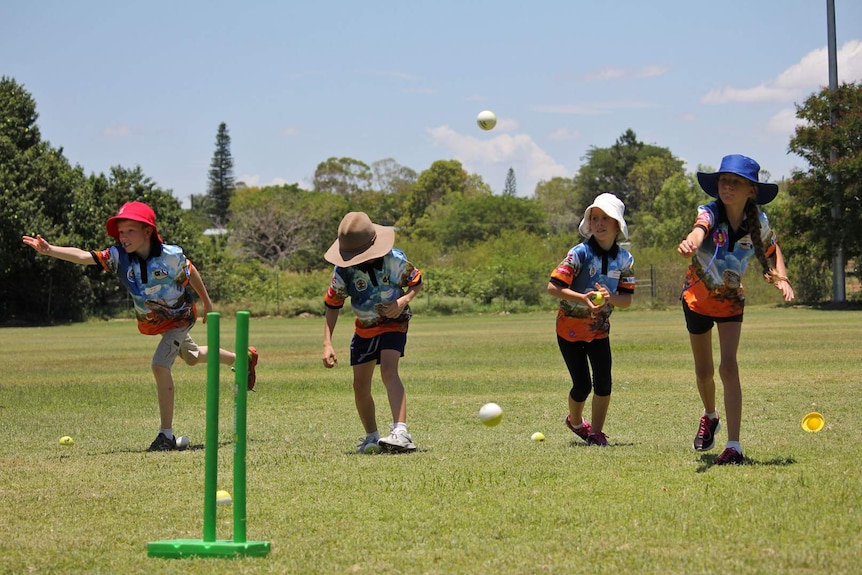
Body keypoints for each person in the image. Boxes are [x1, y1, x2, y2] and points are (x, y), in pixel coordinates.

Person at [22, 201, 258, 452]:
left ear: (148, 231)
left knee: (159, 365)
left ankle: (166, 435)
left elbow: (191, 271)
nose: (123, 237)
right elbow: (85, 256)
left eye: (130, 231)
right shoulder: (118, 257)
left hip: (179, 317)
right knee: (192, 357)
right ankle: (243, 358)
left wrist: (208, 303)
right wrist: (50, 250)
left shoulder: (170, 255)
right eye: (120, 232)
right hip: (159, 322)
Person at [678, 154, 794, 465]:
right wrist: (691, 241)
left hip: (730, 302)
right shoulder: (709, 211)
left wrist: (781, 278)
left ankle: (734, 446)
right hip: (697, 300)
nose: (727, 186)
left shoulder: (760, 222)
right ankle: (710, 415)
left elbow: (772, 249)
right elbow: (699, 230)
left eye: (736, 182)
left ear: (751, 191)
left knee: (728, 366)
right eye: (724, 180)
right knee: (704, 372)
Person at [322, 212, 423, 454]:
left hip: (394, 322)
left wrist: (403, 301)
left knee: (389, 370)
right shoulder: (343, 271)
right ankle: (371, 437)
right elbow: (332, 304)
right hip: (364, 328)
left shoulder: (395, 259)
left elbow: (417, 281)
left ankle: (401, 432)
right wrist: (327, 343)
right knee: (360, 385)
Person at [547, 193, 635, 447]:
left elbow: (626, 300)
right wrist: (582, 298)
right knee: (582, 385)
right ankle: (575, 422)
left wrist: (610, 298)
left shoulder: (625, 260)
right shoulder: (579, 254)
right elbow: (553, 287)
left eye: (606, 218)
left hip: (599, 331)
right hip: (569, 330)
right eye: (594, 218)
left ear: (617, 224)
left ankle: (596, 433)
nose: (599, 223)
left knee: (604, 382)